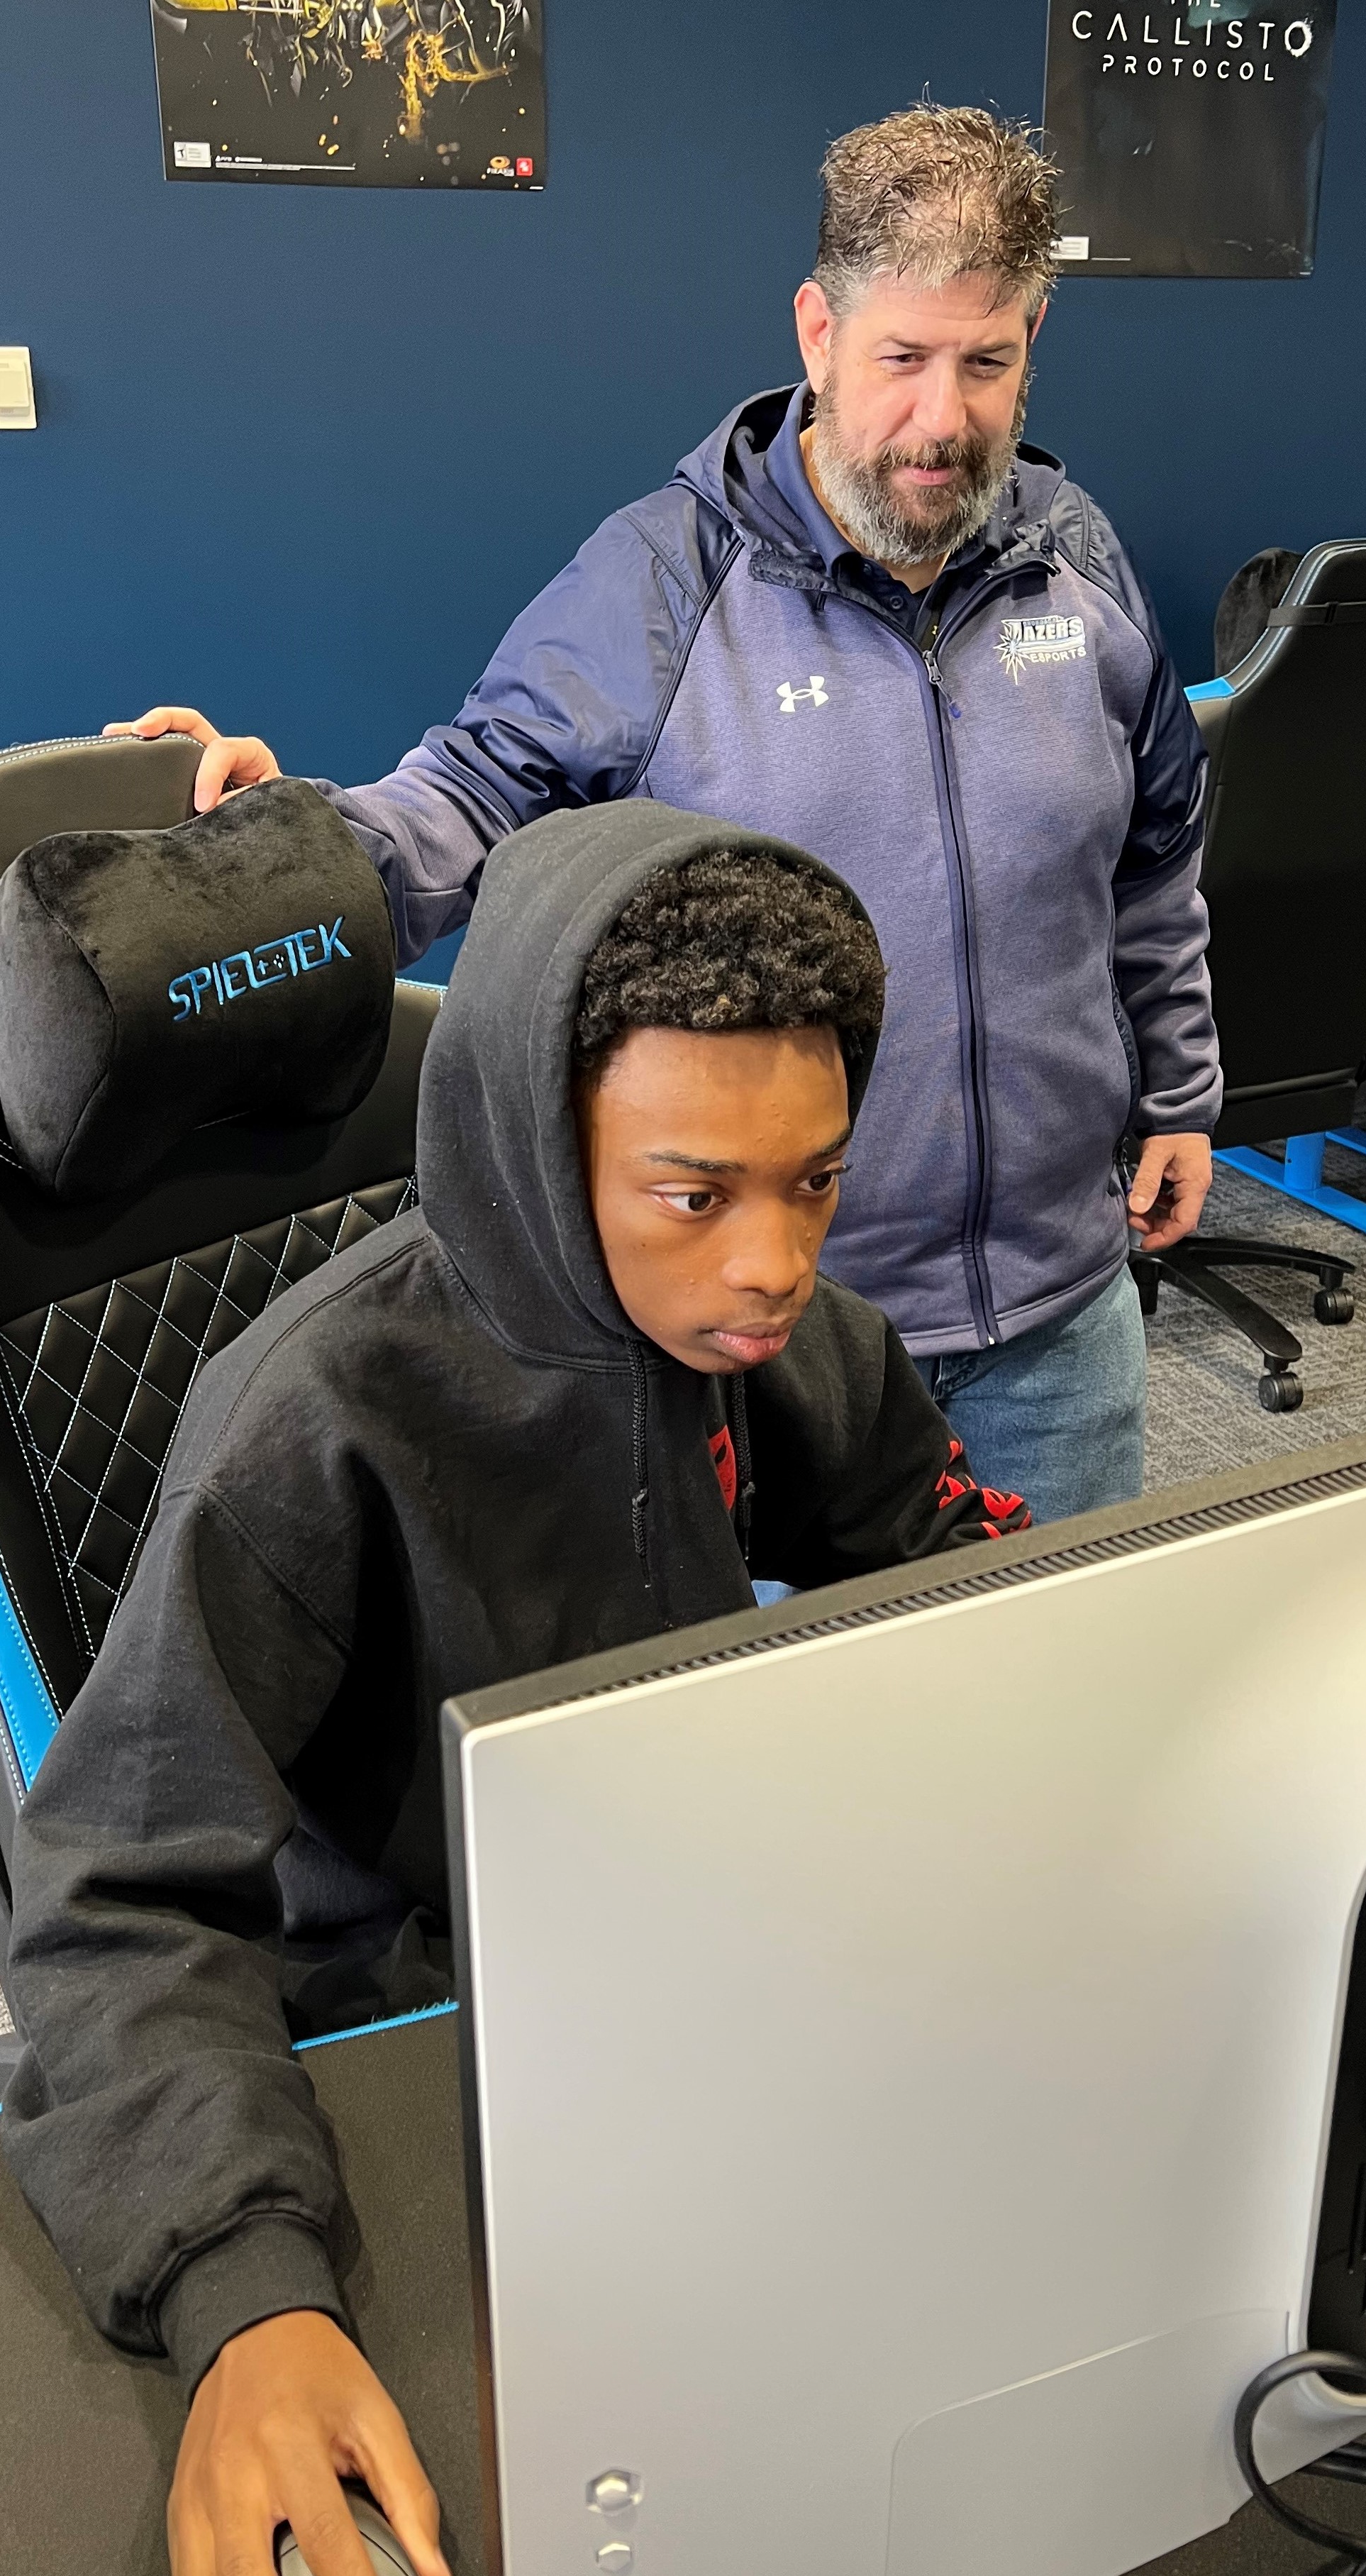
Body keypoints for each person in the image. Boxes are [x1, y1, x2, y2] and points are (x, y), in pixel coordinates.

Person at [0, 802, 1029, 2576]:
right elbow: (114, 1894)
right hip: (389, 2015)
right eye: (693, 1192)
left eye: (816, 1180)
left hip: (672, 1968)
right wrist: (245, 2299)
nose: (774, 1261)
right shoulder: (305, 1430)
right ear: (548, 1154)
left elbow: (915, 1550)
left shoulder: (770, 1332)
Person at [106, 101, 1219, 1525]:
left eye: (987, 364)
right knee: (774, 1740)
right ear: (816, 332)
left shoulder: (1077, 563)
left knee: (1059, 1711)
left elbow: (1152, 857)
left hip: (1060, 1320)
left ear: (1031, 343)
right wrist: (288, 852)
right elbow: (464, 801)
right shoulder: (659, 579)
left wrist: (1178, 1092)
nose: (943, 419)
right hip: (759, 1347)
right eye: (901, 360)